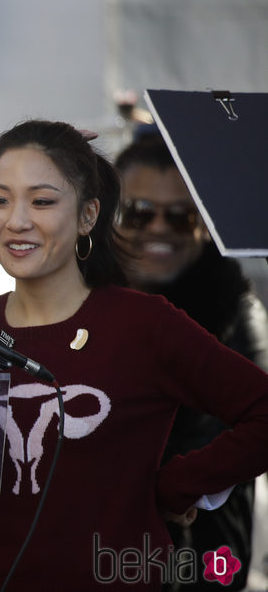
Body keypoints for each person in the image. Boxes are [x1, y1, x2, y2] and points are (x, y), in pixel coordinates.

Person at [0, 119, 268, 591]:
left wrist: (178, 484)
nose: (17, 220)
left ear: (89, 215)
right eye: (0, 199)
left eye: (42, 200)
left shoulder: (141, 325)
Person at [115, 132, 268, 591]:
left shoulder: (234, 313)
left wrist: (173, 486)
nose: (158, 227)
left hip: (198, 560)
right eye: (138, 212)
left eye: (180, 217)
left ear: (205, 224)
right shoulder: (80, 304)